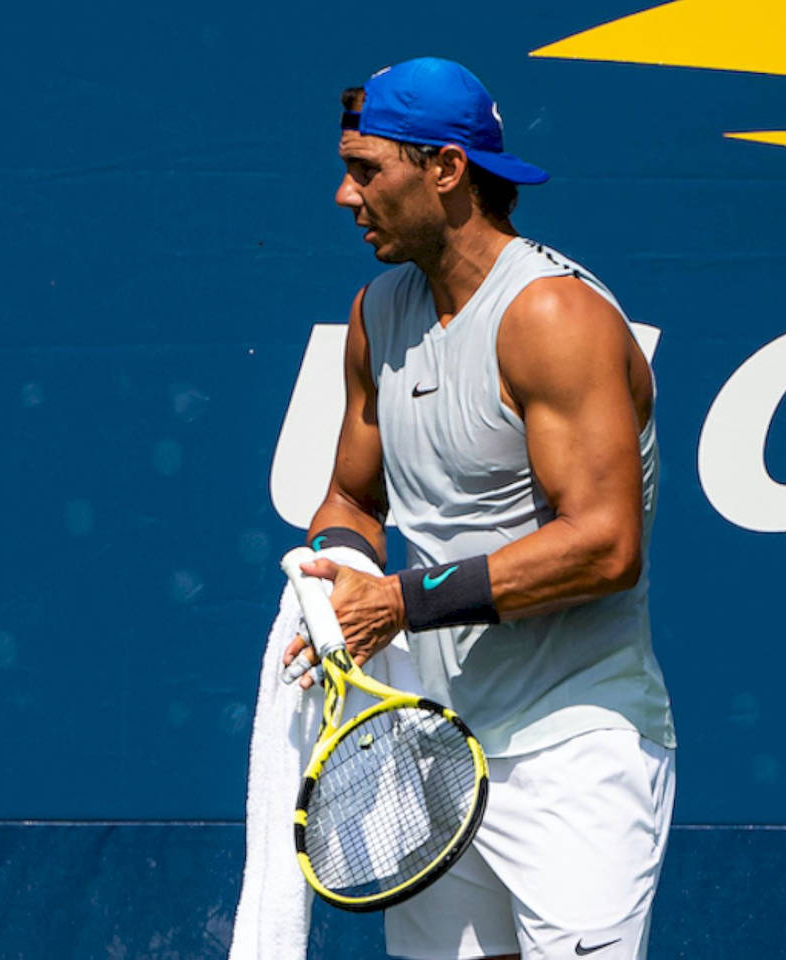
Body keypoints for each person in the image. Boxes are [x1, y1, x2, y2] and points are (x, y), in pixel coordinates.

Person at [283, 58, 676, 960]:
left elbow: (606, 547)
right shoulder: (379, 311)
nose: (347, 196)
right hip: (439, 753)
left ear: (447, 170)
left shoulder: (552, 315)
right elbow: (352, 496)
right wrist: (336, 568)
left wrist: (401, 601)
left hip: (574, 749)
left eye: (368, 170)